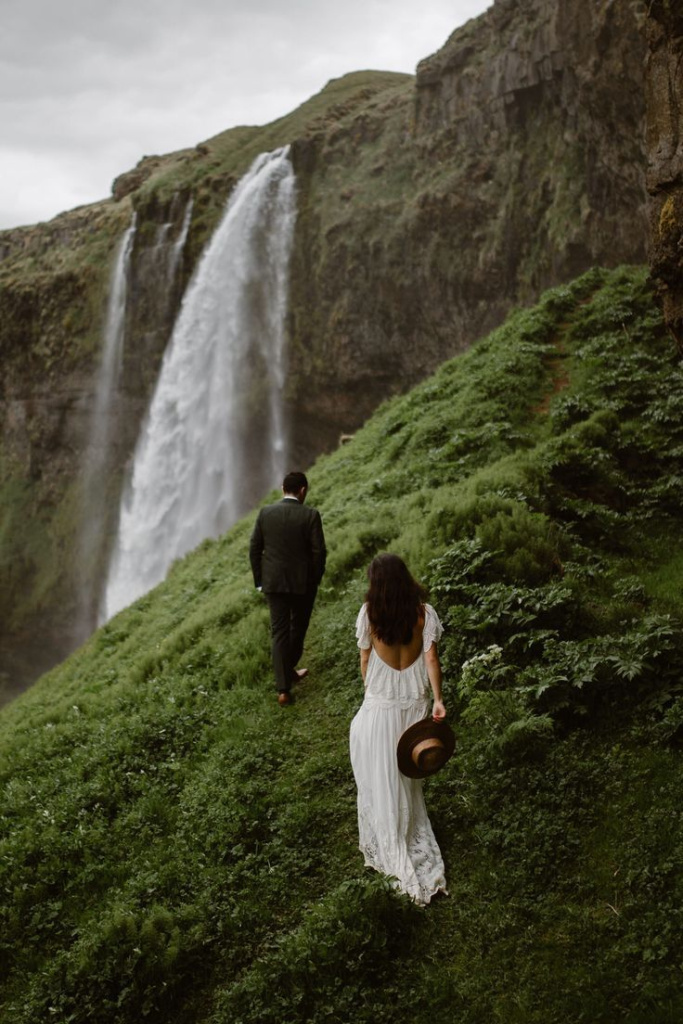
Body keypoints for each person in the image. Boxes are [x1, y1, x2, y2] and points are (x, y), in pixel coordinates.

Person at [349, 553, 448, 904]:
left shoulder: (370, 616)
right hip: (414, 709)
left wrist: (373, 692)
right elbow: (431, 659)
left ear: (375, 586)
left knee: (380, 773)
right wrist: (437, 700)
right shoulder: (424, 614)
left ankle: (394, 837)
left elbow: (364, 660)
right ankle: (409, 828)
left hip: (382, 708)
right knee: (406, 777)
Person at [249, 471, 327, 706]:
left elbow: (254, 549)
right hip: (302, 584)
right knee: (298, 628)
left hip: (273, 583)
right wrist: (313, 579)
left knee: (279, 632)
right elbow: (319, 553)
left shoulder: (265, 513)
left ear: (283, 488)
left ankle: (284, 688)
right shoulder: (311, 515)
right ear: (302, 490)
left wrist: (260, 580)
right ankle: (288, 670)